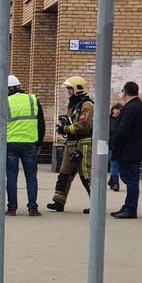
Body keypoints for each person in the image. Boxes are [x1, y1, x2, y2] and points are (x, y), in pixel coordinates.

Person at [47, 76, 95, 213]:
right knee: (64, 173)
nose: (68, 91)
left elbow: (84, 126)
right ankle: (58, 201)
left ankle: (96, 203)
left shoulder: (87, 105)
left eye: (70, 88)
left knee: (86, 174)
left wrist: (65, 129)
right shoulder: (74, 105)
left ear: (77, 89)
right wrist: (63, 126)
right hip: (71, 144)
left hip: (84, 145)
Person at [5, 75, 45, 216]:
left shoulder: (5, 101)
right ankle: (33, 208)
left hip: (10, 143)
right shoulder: (32, 99)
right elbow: (41, 124)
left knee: (11, 176)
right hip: (29, 143)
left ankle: (12, 208)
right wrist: (39, 143)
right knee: (31, 176)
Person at [109, 81, 142, 219]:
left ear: (124, 92)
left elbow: (123, 130)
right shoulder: (140, 107)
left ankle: (131, 209)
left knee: (130, 180)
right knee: (132, 179)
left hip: (128, 150)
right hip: (135, 149)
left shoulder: (130, 108)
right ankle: (128, 206)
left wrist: (113, 143)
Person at [107, 103, 123, 191]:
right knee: (114, 163)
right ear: (113, 110)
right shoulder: (109, 120)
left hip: (120, 145)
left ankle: (112, 181)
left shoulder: (123, 120)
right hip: (110, 145)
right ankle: (116, 183)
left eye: (120, 110)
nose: (118, 111)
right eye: (116, 109)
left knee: (117, 164)